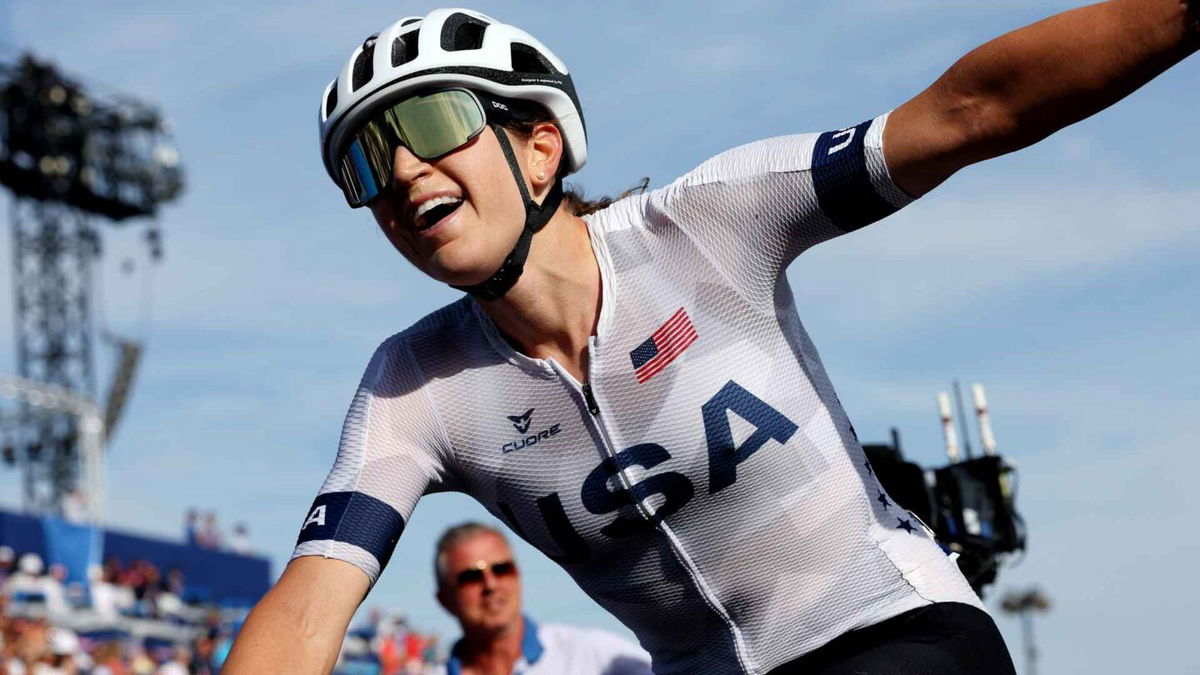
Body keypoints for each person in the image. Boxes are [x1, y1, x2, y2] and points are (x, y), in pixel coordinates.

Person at [225, 4, 1199, 674]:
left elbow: (971, 111)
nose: (400, 169)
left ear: (539, 146)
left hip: (892, 634)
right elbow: (311, 607)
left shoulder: (704, 223)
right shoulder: (414, 385)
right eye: (364, 159)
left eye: (430, 122)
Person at [433, 522, 651, 675]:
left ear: (518, 576)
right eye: (471, 577)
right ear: (445, 600)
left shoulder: (595, 655)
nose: (490, 584)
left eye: (501, 569)